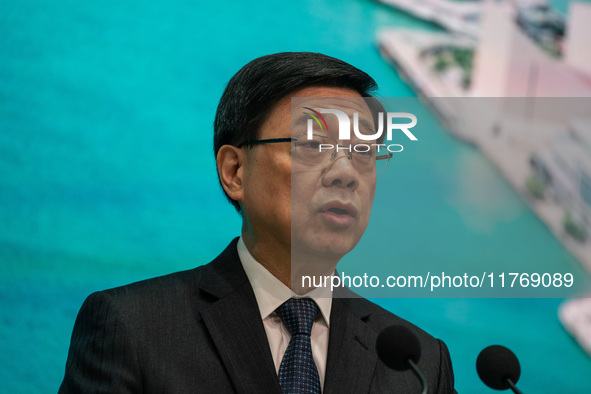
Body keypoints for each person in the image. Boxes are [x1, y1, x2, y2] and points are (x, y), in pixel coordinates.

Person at [59, 52, 455, 393]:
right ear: (234, 171)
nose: (346, 174)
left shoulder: (418, 365)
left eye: (363, 153)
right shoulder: (133, 328)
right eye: (313, 146)